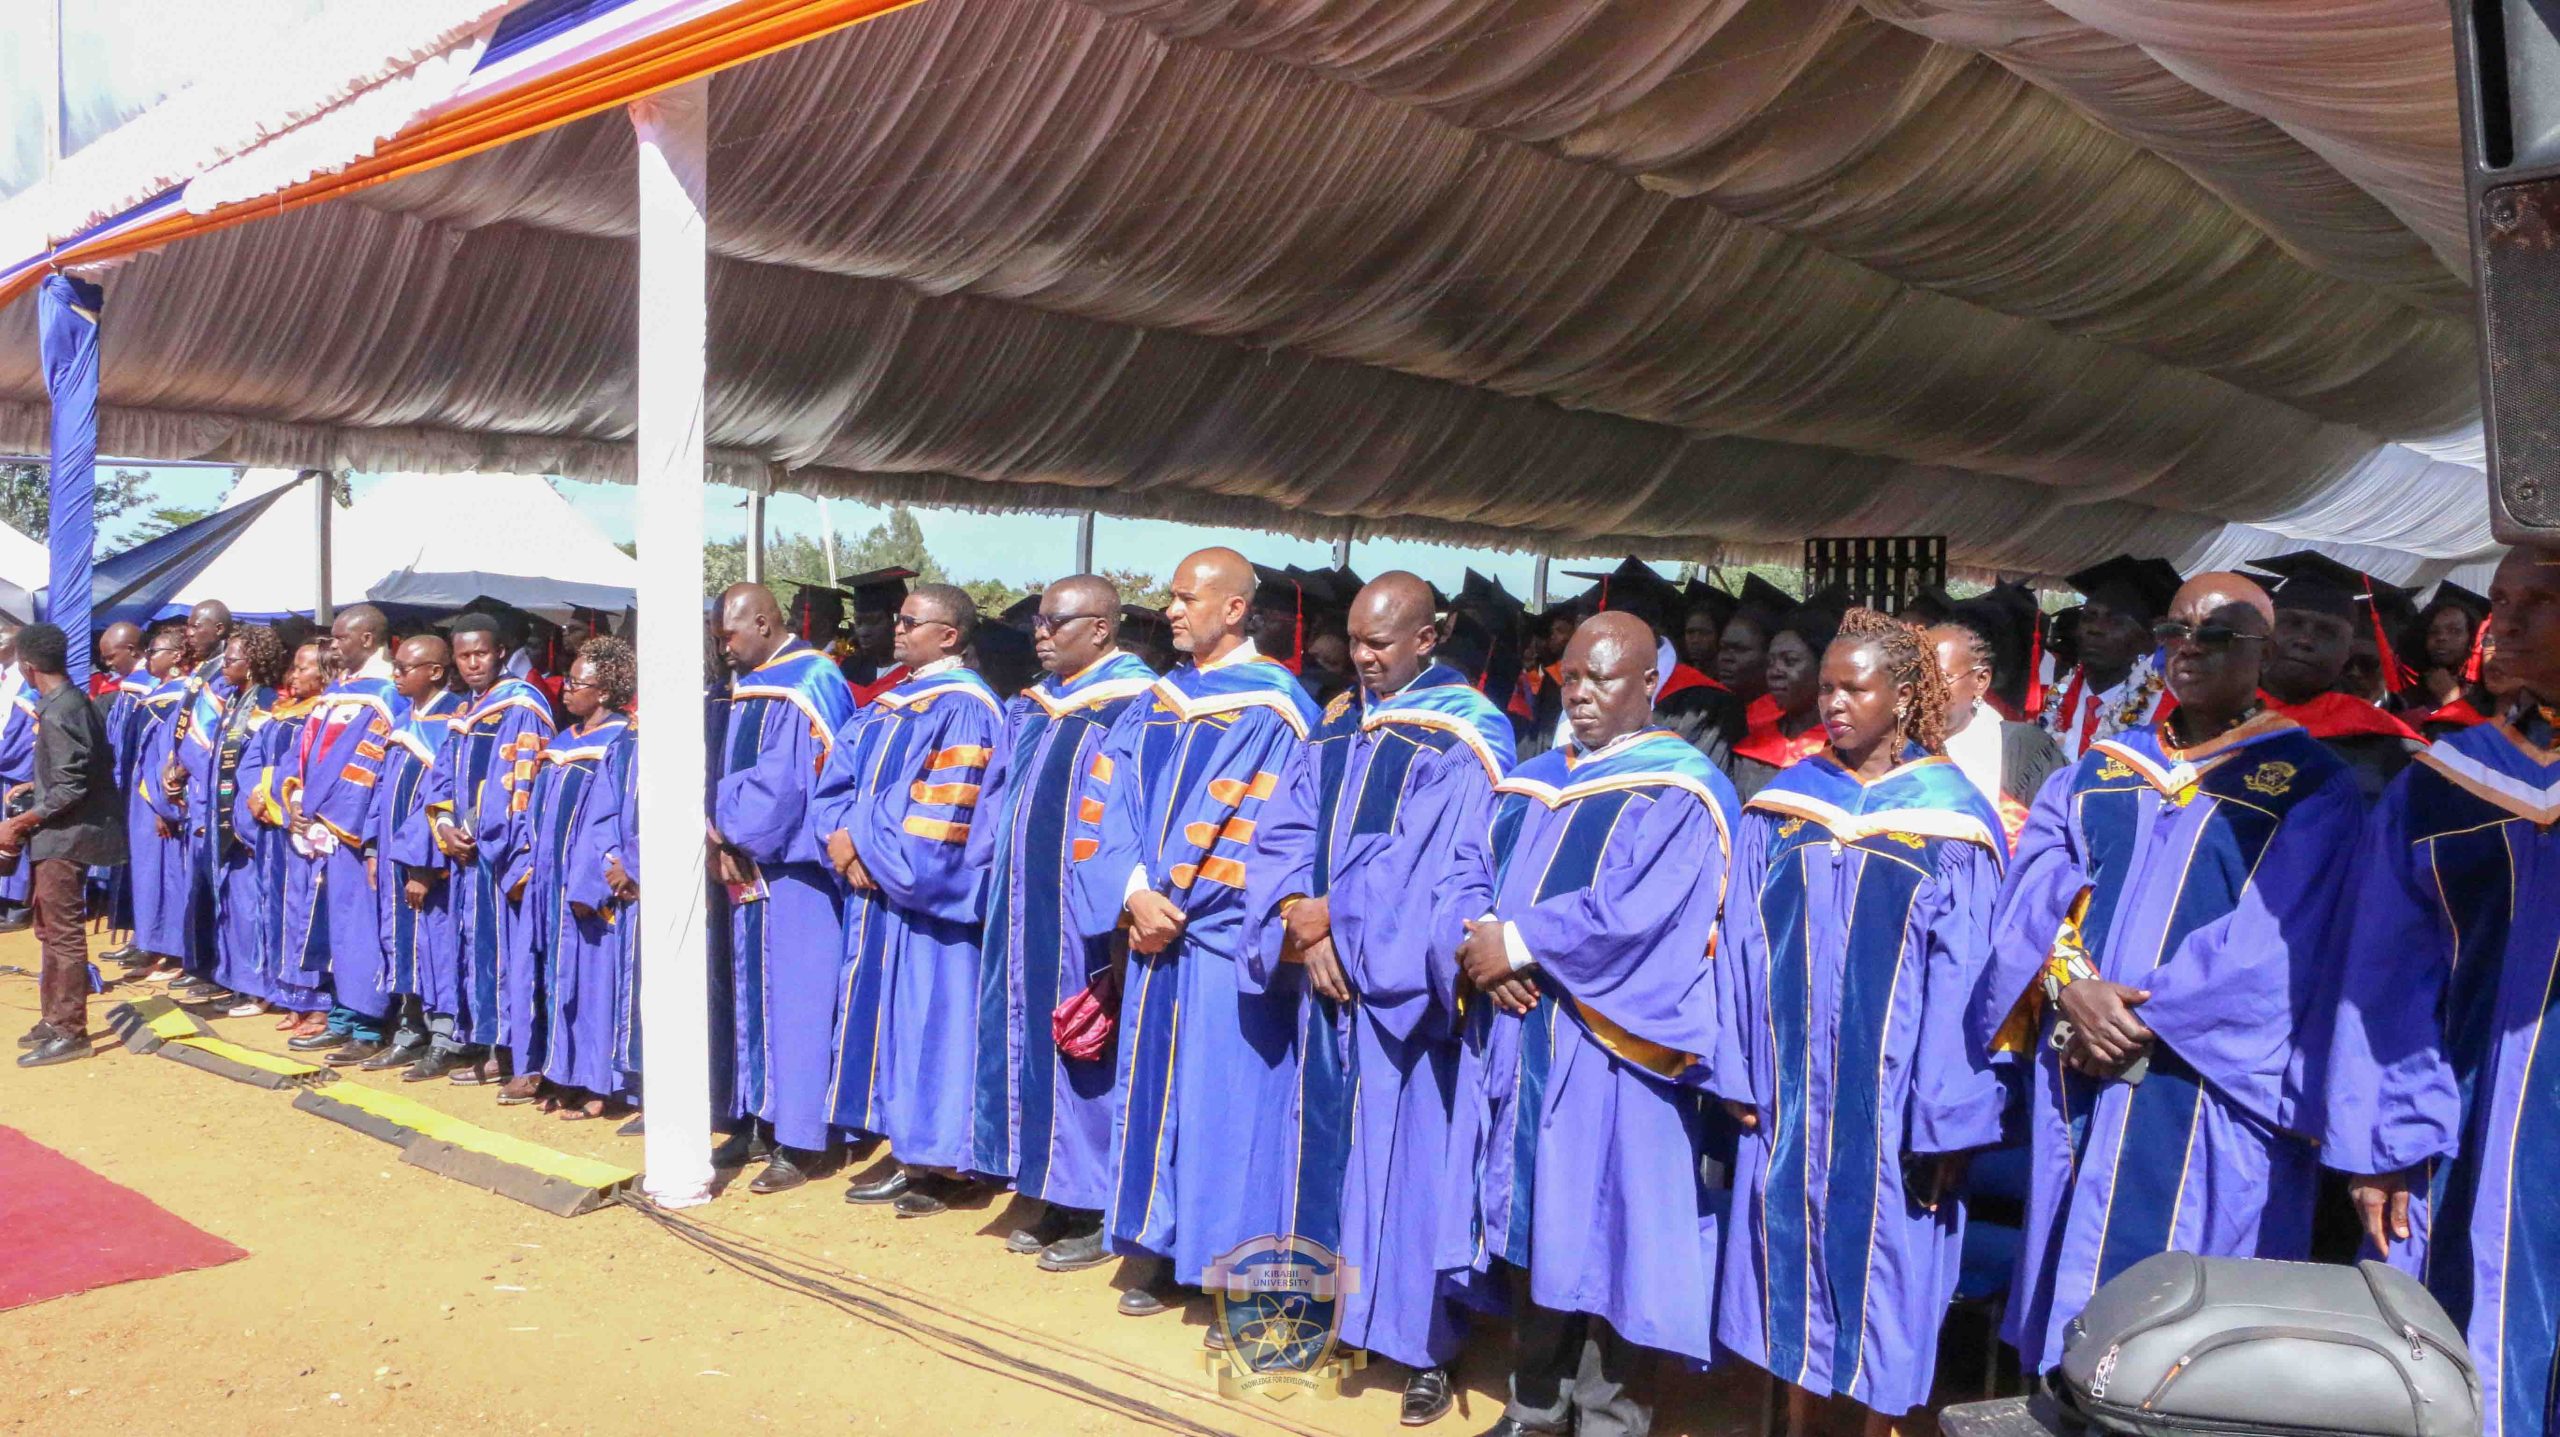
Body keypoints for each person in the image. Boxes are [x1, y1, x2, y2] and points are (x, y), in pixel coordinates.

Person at [1976, 572, 2362, 1376]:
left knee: (2188, 1328)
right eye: (2173, 632)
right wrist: (2071, 986)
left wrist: (2136, 1019)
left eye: (2215, 634)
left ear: (2263, 650)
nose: (2187, 648)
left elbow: (2278, 940)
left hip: (2203, 1083)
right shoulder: (2100, 769)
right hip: (2081, 1066)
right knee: (2071, 1292)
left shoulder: (2310, 782)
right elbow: (2035, 888)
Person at [1438, 610, 1733, 1437]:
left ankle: (1609, 1418)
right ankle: (1535, 1404)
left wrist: (1517, 943)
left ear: (1649, 683)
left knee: (1613, 1233)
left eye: (1602, 677)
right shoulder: (1532, 778)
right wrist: (1481, 946)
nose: (1581, 693)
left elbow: (1641, 916)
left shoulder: (1682, 790)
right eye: (1569, 677)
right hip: (1521, 1039)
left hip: (1618, 1053)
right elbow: (1466, 870)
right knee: (1531, 1219)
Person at [1713, 609, 2007, 1434]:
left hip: (1896, 1101)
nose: (1833, 703)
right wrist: (1737, 1065)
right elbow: (1740, 944)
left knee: (1889, 1269)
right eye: (1827, 687)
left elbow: (1967, 981)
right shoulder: (1785, 804)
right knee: (1790, 1255)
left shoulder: (1951, 817)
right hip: (1790, 1086)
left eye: (1854, 687)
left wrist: (1947, 1117)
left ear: (1904, 695)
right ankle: (1798, 1421)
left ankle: (1878, 1427)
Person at [1246, 571, 1516, 1424]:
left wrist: (1339, 918)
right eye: (1357, 641)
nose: (1361, 657)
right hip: (1323, 983)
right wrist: (1298, 919)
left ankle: (1422, 1346)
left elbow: (1438, 866)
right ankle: (1315, 1317)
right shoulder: (1336, 723)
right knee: (1313, 1150)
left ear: (1426, 639)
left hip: (1402, 1001)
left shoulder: (1467, 734)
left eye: (1380, 643)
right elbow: (1281, 833)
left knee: (1410, 1167)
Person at [2322, 546, 2560, 1437]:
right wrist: (2383, 1138)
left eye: (2541, 599)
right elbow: (2383, 972)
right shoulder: (2445, 782)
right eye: (2501, 598)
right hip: (2469, 1122)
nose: (2507, 620)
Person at [1068, 547, 1317, 1313]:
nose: (1171, 611)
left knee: (1233, 1107)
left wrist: (1179, 904)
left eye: (1186, 598)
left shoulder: (1278, 710)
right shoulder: (1156, 700)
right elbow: (1107, 802)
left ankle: (1237, 1276)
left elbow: (1278, 834)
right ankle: (1157, 1245)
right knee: (1154, 1096)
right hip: (1152, 936)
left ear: (1235, 609)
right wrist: (1135, 894)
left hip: (1225, 942)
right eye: (1172, 597)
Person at [962, 575, 1157, 1268]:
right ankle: (1051, 1183)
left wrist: (1115, 906)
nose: (1039, 634)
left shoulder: (1136, 704)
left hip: (1085, 910)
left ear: (1101, 628)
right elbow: (998, 800)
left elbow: (1133, 813)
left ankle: (1097, 1200)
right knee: (1032, 1039)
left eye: (1054, 621)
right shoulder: (1036, 702)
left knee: (1087, 1042)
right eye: (1037, 622)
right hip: (1023, 904)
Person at [814, 583, 1005, 1212]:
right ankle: (909, 1150)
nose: (896, 629)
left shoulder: (968, 708)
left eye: (909, 621)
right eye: (897, 620)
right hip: (879, 890)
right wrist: (841, 840)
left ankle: (945, 1165)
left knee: (936, 1026)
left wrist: (864, 844)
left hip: (930, 905)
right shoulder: (892, 701)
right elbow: (836, 781)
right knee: (897, 1025)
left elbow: (948, 817)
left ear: (948, 636)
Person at [711, 581, 859, 1192]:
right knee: (755, 996)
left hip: (799, 873)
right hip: (751, 867)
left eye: (729, 634)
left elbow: (785, 788)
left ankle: (804, 1138)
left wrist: (722, 826)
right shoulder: (756, 683)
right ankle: (760, 1116)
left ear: (764, 624)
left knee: (799, 1004)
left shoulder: (808, 681)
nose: (722, 648)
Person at [417, 615, 556, 1086]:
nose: (472, 663)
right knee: (480, 953)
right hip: (468, 855)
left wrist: (484, 834)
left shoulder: (521, 704)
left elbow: (521, 783)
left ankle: (518, 1055)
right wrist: (443, 825)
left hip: (504, 854)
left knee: (511, 956)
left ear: (499, 652)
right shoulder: (467, 710)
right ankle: (493, 1045)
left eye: (480, 653)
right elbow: (440, 778)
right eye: (463, 655)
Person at [513, 639, 637, 1120]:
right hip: (546, 886)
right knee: (550, 979)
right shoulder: (563, 741)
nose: (565, 690)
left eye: (576, 683)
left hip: (591, 893)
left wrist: (590, 885)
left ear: (604, 691)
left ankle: (598, 1085)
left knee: (592, 986)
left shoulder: (618, 741)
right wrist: (526, 865)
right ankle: (559, 1074)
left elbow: (612, 821)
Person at [276, 605, 402, 1060]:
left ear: (368, 639)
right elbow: (303, 752)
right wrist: (294, 798)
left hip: (352, 831)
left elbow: (372, 766)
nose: (334, 646)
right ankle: (342, 1015)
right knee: (332, 928)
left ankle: (367, 1026)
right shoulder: (339, 691)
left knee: (359, 928)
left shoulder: (388, 695)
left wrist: (332, 817)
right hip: (318, 829)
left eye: (341, 638)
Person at [10, 624, 128, 1068]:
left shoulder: (62, 711)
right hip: (60, 835)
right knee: (47, 929)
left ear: (28, 667)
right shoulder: (71, 703)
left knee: (63, 934)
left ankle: (70, 1030)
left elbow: (72, 785)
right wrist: (33, 786)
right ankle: (53, 1018)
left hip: (68, 838)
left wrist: (20, 821)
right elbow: (85, 767)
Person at [2247, 553, 2423, 802]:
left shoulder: (2391, 746)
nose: (2304, 640)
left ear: (2347, 652)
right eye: (2291, 623)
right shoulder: (2213, 715)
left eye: (2326, 631)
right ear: (2265, 634)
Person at [373, 635, 467, 1074]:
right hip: (393, 859)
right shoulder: (403, 720)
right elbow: (381, 789)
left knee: (436, 948)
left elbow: (442, 800)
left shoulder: (451, 725)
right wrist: (373, 847)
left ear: (435, 671)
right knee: (400, 943)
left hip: (429, 866)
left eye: (404, 668)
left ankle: (444, 1037)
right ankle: (409, 1030)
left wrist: (422, 867)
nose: (395, 675)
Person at [237, 639, 333, 1033]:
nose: (293, 675)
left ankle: (317, 1002)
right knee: (277, 910)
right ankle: (290, 995)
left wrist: (271, 794)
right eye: (293, 667)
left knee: (305, 911)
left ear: (324, 674)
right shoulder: (281, 714)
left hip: (302, 830)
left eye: (303, 668)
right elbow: (250, 763)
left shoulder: (324, 715)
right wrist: (255, 793)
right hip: (272, 830)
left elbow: (304, 768)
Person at [1927, 608, 2065, 850]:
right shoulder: (1897, 744)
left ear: (1980, 681)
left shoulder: (2023, 750)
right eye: (1918, 676)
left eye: (1941, 678)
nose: (1926, 690)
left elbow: (2051, 847)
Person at [2039, 556, 2181, 761]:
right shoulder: (2056, 701)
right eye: (2089, 616)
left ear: (2157, 633)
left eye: (2115, 620)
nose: (2094, 628)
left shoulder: (2169, 719)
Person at [111, 625, 190, 982]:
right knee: (147, 873)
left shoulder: (179, 696)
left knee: (165, 874)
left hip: (156, 799)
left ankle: (172, 952)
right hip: (140, 797)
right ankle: (151, 944)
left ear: (176, 656)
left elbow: (170, 753)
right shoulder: (158, 692)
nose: (148, 658)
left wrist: (163, 804)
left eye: (155, 651)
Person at [1730, 604, 1838, 799]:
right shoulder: (1752, 744)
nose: (1775, 672)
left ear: (1824, 668)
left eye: (1790, 661)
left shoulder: (1841, 749)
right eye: (1770, 662)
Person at [2398, 582, 2495, 734]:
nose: (2441, 637)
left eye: (2455, 631)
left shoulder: (2489, 693)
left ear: (2472, 638)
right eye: (2433, 631)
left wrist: (2451, 699)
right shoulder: (2408, 692)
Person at [841, 568, 919, 706]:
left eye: (873, 621)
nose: (863, 631)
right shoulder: (848, 669)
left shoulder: (916, 675)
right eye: (858, 622)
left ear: (898, 621)